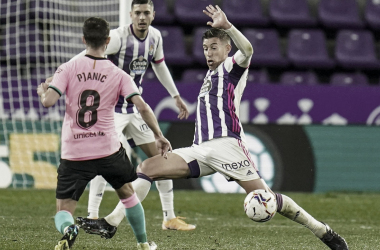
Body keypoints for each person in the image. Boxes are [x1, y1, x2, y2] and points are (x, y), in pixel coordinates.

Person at [81, 5, 349, 250]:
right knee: (147, 168)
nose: (209, 53)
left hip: (228, 147)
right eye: (206, 48)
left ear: (226, 49)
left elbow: (248, 51)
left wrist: (228, 26)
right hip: (200, 151)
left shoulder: (233, 66)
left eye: (214, 47)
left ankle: (323, 232)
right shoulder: (209, 76)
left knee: (267, 198)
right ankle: (111, 223)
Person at [45, 0, 195, 236]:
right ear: (130, 14)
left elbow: (160, 66)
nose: (142, 17)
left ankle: (170, 217)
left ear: (153, 15)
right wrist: (61, 76)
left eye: (146, 13)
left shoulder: (155, 37)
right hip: (110, 112)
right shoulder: (117, 37)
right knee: (103, 158)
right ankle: (93, 215)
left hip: (133, 111)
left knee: (163, 159)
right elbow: (84, 56)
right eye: (138, 13)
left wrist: (175, 95)